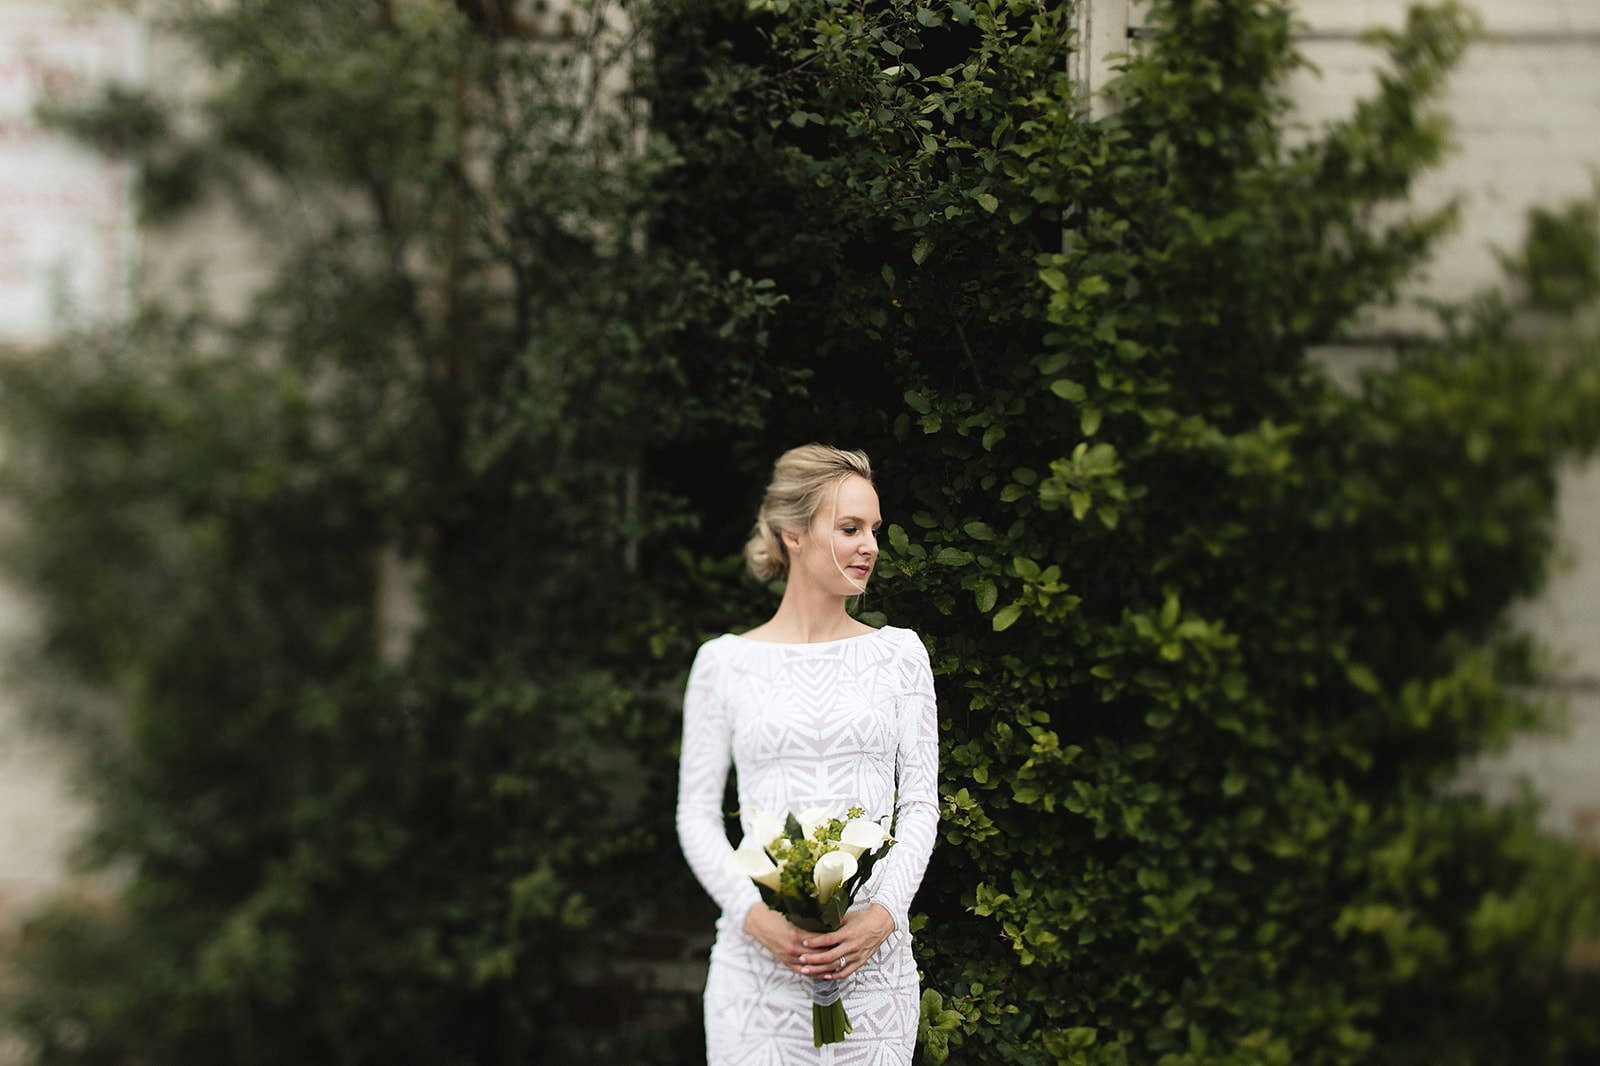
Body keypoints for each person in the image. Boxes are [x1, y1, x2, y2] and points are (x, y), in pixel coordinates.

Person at [676, 444, 939, 1065]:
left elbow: (921, 805)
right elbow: (695, 816)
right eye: (850, 528)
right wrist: (754, 917)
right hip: (757, 979)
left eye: (875, 529)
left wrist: (881, 915)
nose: (869, 545)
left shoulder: (900, 656)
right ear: (793, 534)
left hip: (872, 977)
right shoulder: (725, 664)